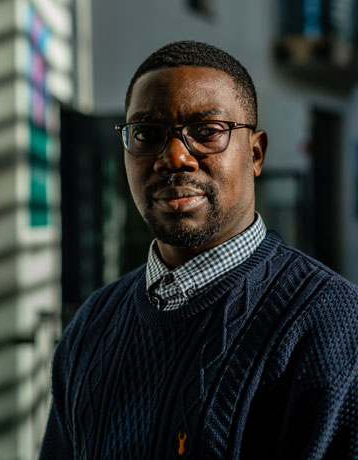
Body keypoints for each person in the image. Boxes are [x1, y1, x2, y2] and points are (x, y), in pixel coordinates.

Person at [40, 41, 358, 460]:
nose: (174, 157)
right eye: (147, 134)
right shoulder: (93, 324)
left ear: (256, 153)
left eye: (207, 132)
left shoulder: (335, 327)